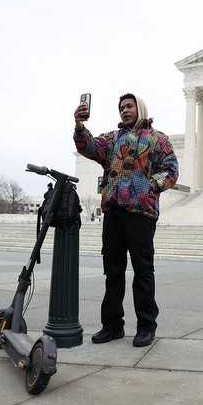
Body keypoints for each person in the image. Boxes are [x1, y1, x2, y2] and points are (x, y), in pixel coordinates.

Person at [73, 93, 178, 347]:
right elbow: (88, 147)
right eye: (121, 107)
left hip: (141, 213)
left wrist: (150, 186)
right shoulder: (112, 139)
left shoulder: (158, 139)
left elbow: (171, 171)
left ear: (140, 107)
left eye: (129, 106)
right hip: (114, 213)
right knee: (113, 271)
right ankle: (112, 326)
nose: (125, 110)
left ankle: (146, 326)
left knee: (143, 271)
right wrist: (79, 126)